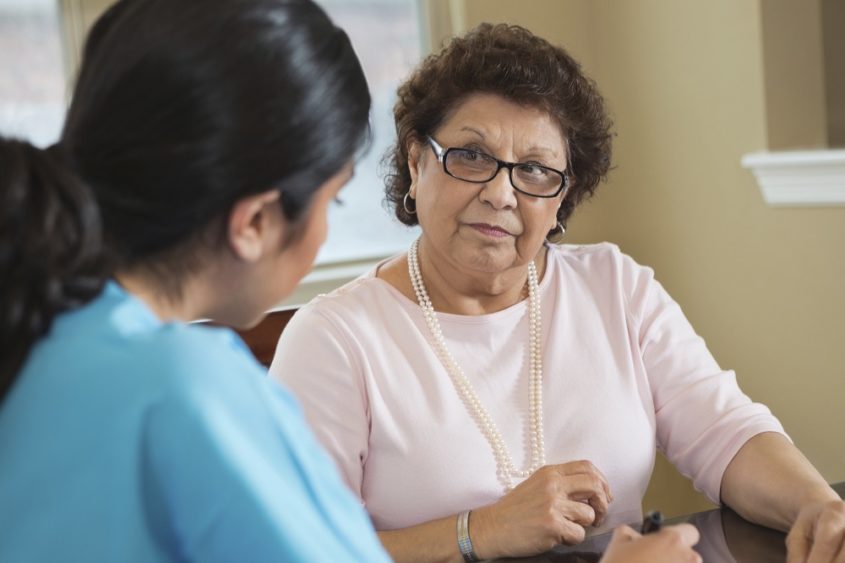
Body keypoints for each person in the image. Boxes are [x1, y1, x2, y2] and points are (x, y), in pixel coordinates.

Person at [271, 23, 845, 563]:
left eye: (536, 171)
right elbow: (293, 548)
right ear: (417, 162)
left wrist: (816, 507)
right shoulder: (334, 338)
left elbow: (725, 432)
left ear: (561, 201)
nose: (500, 194)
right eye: (471, 156)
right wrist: (482, 530)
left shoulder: (615, 286)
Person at [0, 0, 393, 561]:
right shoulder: (186, 387)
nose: (327, 230)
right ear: (256, 222)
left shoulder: (28, 324)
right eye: (335, 198)